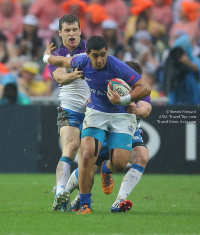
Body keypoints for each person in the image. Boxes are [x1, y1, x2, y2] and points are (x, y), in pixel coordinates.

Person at [43, 35, 151, 214]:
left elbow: (146, 88)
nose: (100, 60)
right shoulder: (82, 61)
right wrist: (47, 57)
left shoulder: (117, 67)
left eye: (103, 55)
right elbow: (62, 60)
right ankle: (85, 205)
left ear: (107, 53)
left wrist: (123, 99)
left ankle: (105, 169)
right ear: (87, 54)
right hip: (96, 113)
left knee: (120, 165)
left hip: (120, 116)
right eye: (95, 56)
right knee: (86, 156)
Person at [65, 61, 152, 213]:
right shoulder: (108, 87)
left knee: (142, 156)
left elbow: (146, 109)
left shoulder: (140, 90)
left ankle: (119, 200)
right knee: (88, 167)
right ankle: (65, 194)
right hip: (103, 131)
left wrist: (136, 111)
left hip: (128, 132)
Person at [47, 14, 90, 212]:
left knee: (89, 159)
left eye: (75, 29)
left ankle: (65, 192)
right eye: (67, 30)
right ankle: (60, 191)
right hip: (69, 109)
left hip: (93, 111)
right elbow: (60, 78)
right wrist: (77, 73)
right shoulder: (56, 54)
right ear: (60, 32)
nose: (71, 33)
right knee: (71, 148)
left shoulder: (92, 49)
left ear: (80, 30)